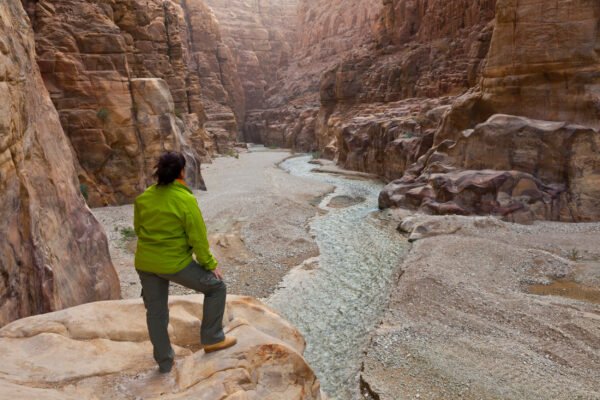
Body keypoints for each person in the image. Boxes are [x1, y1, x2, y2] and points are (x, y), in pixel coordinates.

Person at [133, 151, 236, 373]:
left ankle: (164, 363)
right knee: (216, 287)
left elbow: (138, 229)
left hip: (145, 264)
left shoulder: (143, 198)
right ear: (181, 172)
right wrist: (210, 265)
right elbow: (198, 239)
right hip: (174, 264)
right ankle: (212, 339)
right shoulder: (185, 200)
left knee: (156, 311)